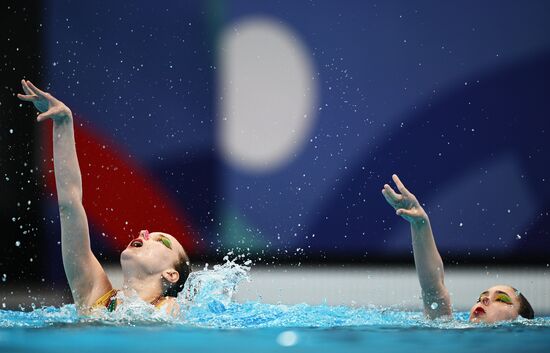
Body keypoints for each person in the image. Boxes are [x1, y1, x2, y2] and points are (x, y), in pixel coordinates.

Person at [17, 80, 191, 315]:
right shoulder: (94, 294)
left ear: (170, 275)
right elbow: (69, 205)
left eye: (161, 241)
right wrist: (62, 123)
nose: (144, 233)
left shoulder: (169, 309)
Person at [382, 174, 534, 323]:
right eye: (480, 298)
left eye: (501, 299)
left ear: (521, 320)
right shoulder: (453, 330)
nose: (485, 299)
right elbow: (434, 291)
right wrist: (420, 224)